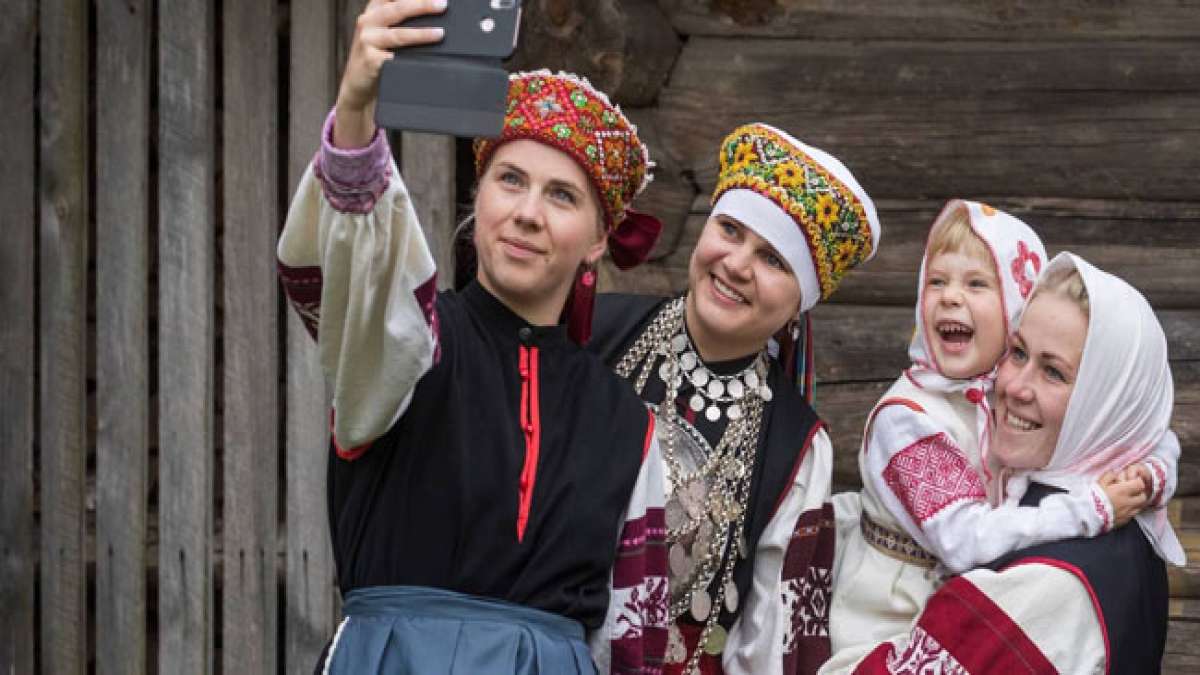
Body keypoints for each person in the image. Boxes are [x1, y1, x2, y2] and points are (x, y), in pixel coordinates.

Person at [276, 1, 669, 671]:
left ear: (598, 240)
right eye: (509, 180)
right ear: (478, 195)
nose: (526, 213)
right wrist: (355, 114)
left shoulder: (628, 423)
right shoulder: (406, 342)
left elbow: (633, 637)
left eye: (562, 196)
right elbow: (359, 271)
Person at [822, 202, 1177, 672]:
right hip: (877, 616)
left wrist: (1148, 477)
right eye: (1018, 352)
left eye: (1053, 371)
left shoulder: (1044, 585)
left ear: (1108, 403)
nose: (1011, 386)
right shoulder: (1117, 513)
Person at [585, 122, 882, 675]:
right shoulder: (592, 333)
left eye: (774, 259)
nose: (738, 264)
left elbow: (770, 642)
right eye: (730, 230)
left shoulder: (795, 447)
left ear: (801, 302)